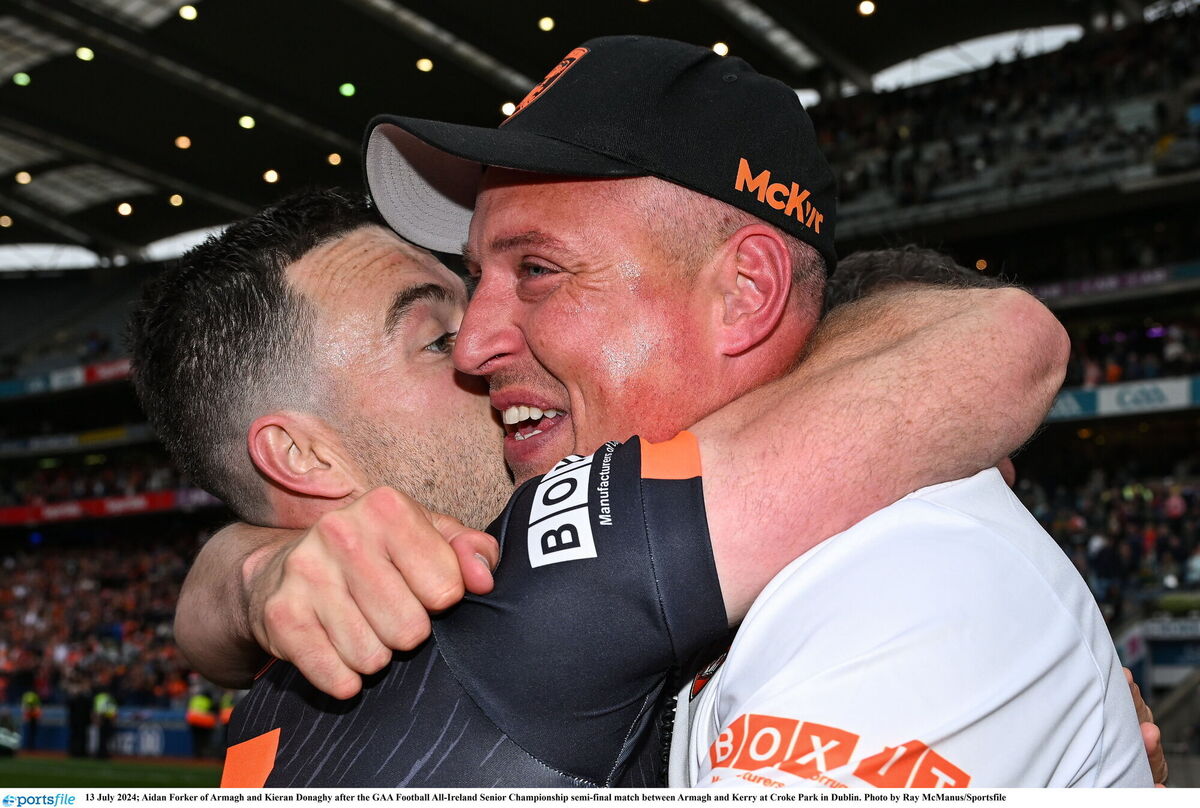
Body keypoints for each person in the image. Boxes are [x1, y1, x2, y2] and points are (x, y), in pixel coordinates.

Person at [166, 37, 1149, 787]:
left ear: (745, 294)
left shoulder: (915, 574)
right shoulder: (618, 582)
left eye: (538, 272)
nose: (474, 345)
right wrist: (250, 573)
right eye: (471, 289)